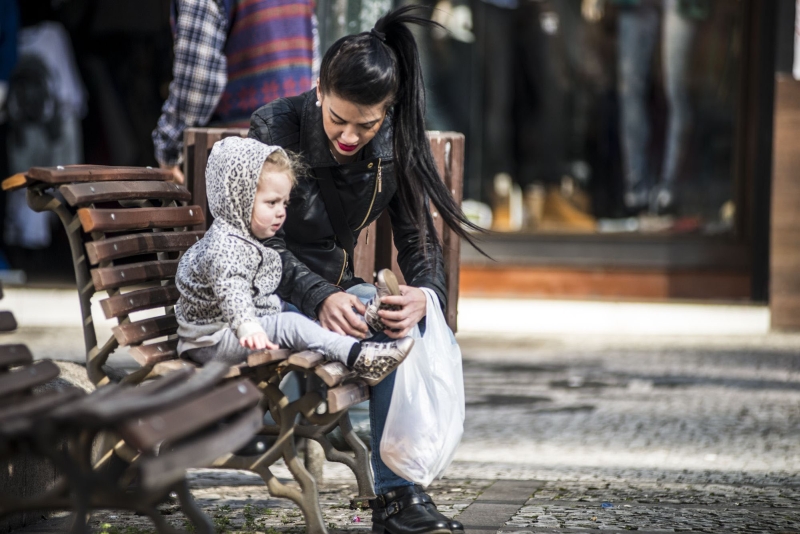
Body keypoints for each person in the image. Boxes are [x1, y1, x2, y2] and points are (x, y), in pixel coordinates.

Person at [248, 6, 482, 534]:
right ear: (319, 90)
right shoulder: (274, 126)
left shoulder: (394, 142)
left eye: (366, 123)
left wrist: (427, 294)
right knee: (373, 325)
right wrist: (318, 297)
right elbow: (261, 245)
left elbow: (419, 239)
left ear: (388, 111)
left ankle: (399, 500)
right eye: (338, 120)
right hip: (267, 295)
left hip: (333, 295)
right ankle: (399, 497)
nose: (350, 136)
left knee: (398, 319)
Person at [174, 135, 414, 386]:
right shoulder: (225, 245)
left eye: (284, 203)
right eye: (271, 203)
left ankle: (365, 321)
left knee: (301, 313)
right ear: (238, 197)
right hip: (213, 341)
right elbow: (231, 290)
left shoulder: (243, 236)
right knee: (289, 323)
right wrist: (247, 326)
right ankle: (360, 358)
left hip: (237, 328)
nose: (281, 212)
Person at [152, 0, 318, 184]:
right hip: (293, 150)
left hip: (235, 158)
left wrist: (169, 151)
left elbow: (199, 81)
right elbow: (313, 67)